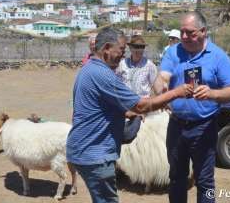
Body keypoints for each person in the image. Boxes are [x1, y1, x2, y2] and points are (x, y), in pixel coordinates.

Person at [66, 27, 193, 203]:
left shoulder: (88, 70)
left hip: (86, 150)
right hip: (95, 154)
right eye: (122, 50)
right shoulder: (102, 74)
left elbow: (104, 106)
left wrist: (131, 111)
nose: (123, 55)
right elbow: (142, 105)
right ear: (107, 48)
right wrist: (176, 92)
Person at [153, 11, 230, 203]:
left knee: (205, 181)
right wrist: (161, 90)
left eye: (189, 32)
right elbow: (162, 78)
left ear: (203, 32)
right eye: (182, 32)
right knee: (176, 178)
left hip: (204, 127)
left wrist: (212, 93)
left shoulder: (218, 57)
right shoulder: (173, 52)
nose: (184, 37)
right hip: (176, 125)